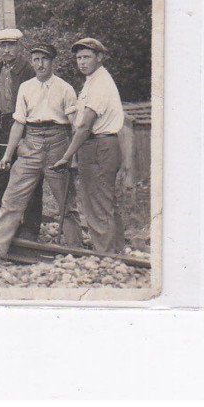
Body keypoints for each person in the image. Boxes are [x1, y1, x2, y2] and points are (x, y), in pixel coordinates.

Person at [0, 44, 82, 268]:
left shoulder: (65, 88)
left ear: (53, 62)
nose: (40, 64)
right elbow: (18, 122)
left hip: (57, 142)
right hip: (30, 142)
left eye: (44, 59)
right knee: (12, 198)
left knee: (65, 202)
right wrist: (8, 154)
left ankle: (76, 251)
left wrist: (73, 156)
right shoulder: (25, 87)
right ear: (31, 62)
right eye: (36, 59)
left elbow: (75, 125)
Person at [51, 38, 126, 254]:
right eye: (78, 58)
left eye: (87, 57)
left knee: (97, 202)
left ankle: (105, 254)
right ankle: (115, 251)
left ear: (100, 57)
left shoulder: (100, 83)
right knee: (105, 200)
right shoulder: (92, 81)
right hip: (98, 145)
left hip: (98, 146)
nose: (82, 62)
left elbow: (84, 126)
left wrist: (67, 156)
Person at [0, 28, 43, 240]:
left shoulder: (28, 71)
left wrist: (27, 135)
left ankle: (30, 229)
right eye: (2, 46)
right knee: (0, 179)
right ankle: (7, 228)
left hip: (25, 130)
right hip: (2, 130)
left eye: (10, 45)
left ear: (19, 47)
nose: (6, 50)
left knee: (29, 179)